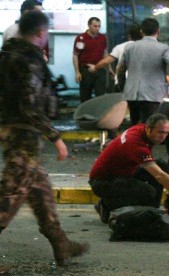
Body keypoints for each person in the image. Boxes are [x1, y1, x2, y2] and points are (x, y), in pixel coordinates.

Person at [0, 11, 89, 266]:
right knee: (10, 195)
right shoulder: (27, 60)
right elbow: (29, 105)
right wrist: (55, 137)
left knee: (40, 190)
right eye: (47, 33)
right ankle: (61, 242)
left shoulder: (8, 55)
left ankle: (60, 242)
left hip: (14, 130)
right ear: (41, 33)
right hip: (23, 134)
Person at [88, 113, 169, 223]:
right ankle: (105, 205)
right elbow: (159, 175)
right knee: (148, 192)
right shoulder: (136, 144)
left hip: (122, 172)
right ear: (148, 129)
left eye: (166, 133)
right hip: (102, 182)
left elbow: (166, 126)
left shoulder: (142, 128)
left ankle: (152, 211)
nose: (163, 136)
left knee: (161, 165)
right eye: (160, 133)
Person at [118, 18, 169, 126]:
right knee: (151, 126)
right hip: (153, 94)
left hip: (132, 93)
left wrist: (122, 85)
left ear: (141, 32)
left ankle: (136, 143)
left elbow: (120, 69)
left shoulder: (129, 47)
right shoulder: (162, 48)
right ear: (158, 31)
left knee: (135, 125)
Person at [87, 25, 142, 92]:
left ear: (129, 36)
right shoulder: (147, 48)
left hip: (123, 83)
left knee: (121, 101)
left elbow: (106, 61)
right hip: (141, 83)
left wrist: (95, 67)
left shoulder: (121, 47)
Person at [73, 17, 109, 103]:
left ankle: (99, 115)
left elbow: (105, 53)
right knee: (85, 96)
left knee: (100, 96)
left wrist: (109, 68)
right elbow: (75, 55)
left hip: (99, 69)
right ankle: (84, 115)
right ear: (89, 25)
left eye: (99, 26)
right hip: (86, 70)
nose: (97, 28)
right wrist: (77, 72)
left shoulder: (102, 38)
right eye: (95, 26)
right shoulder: (81, 38)